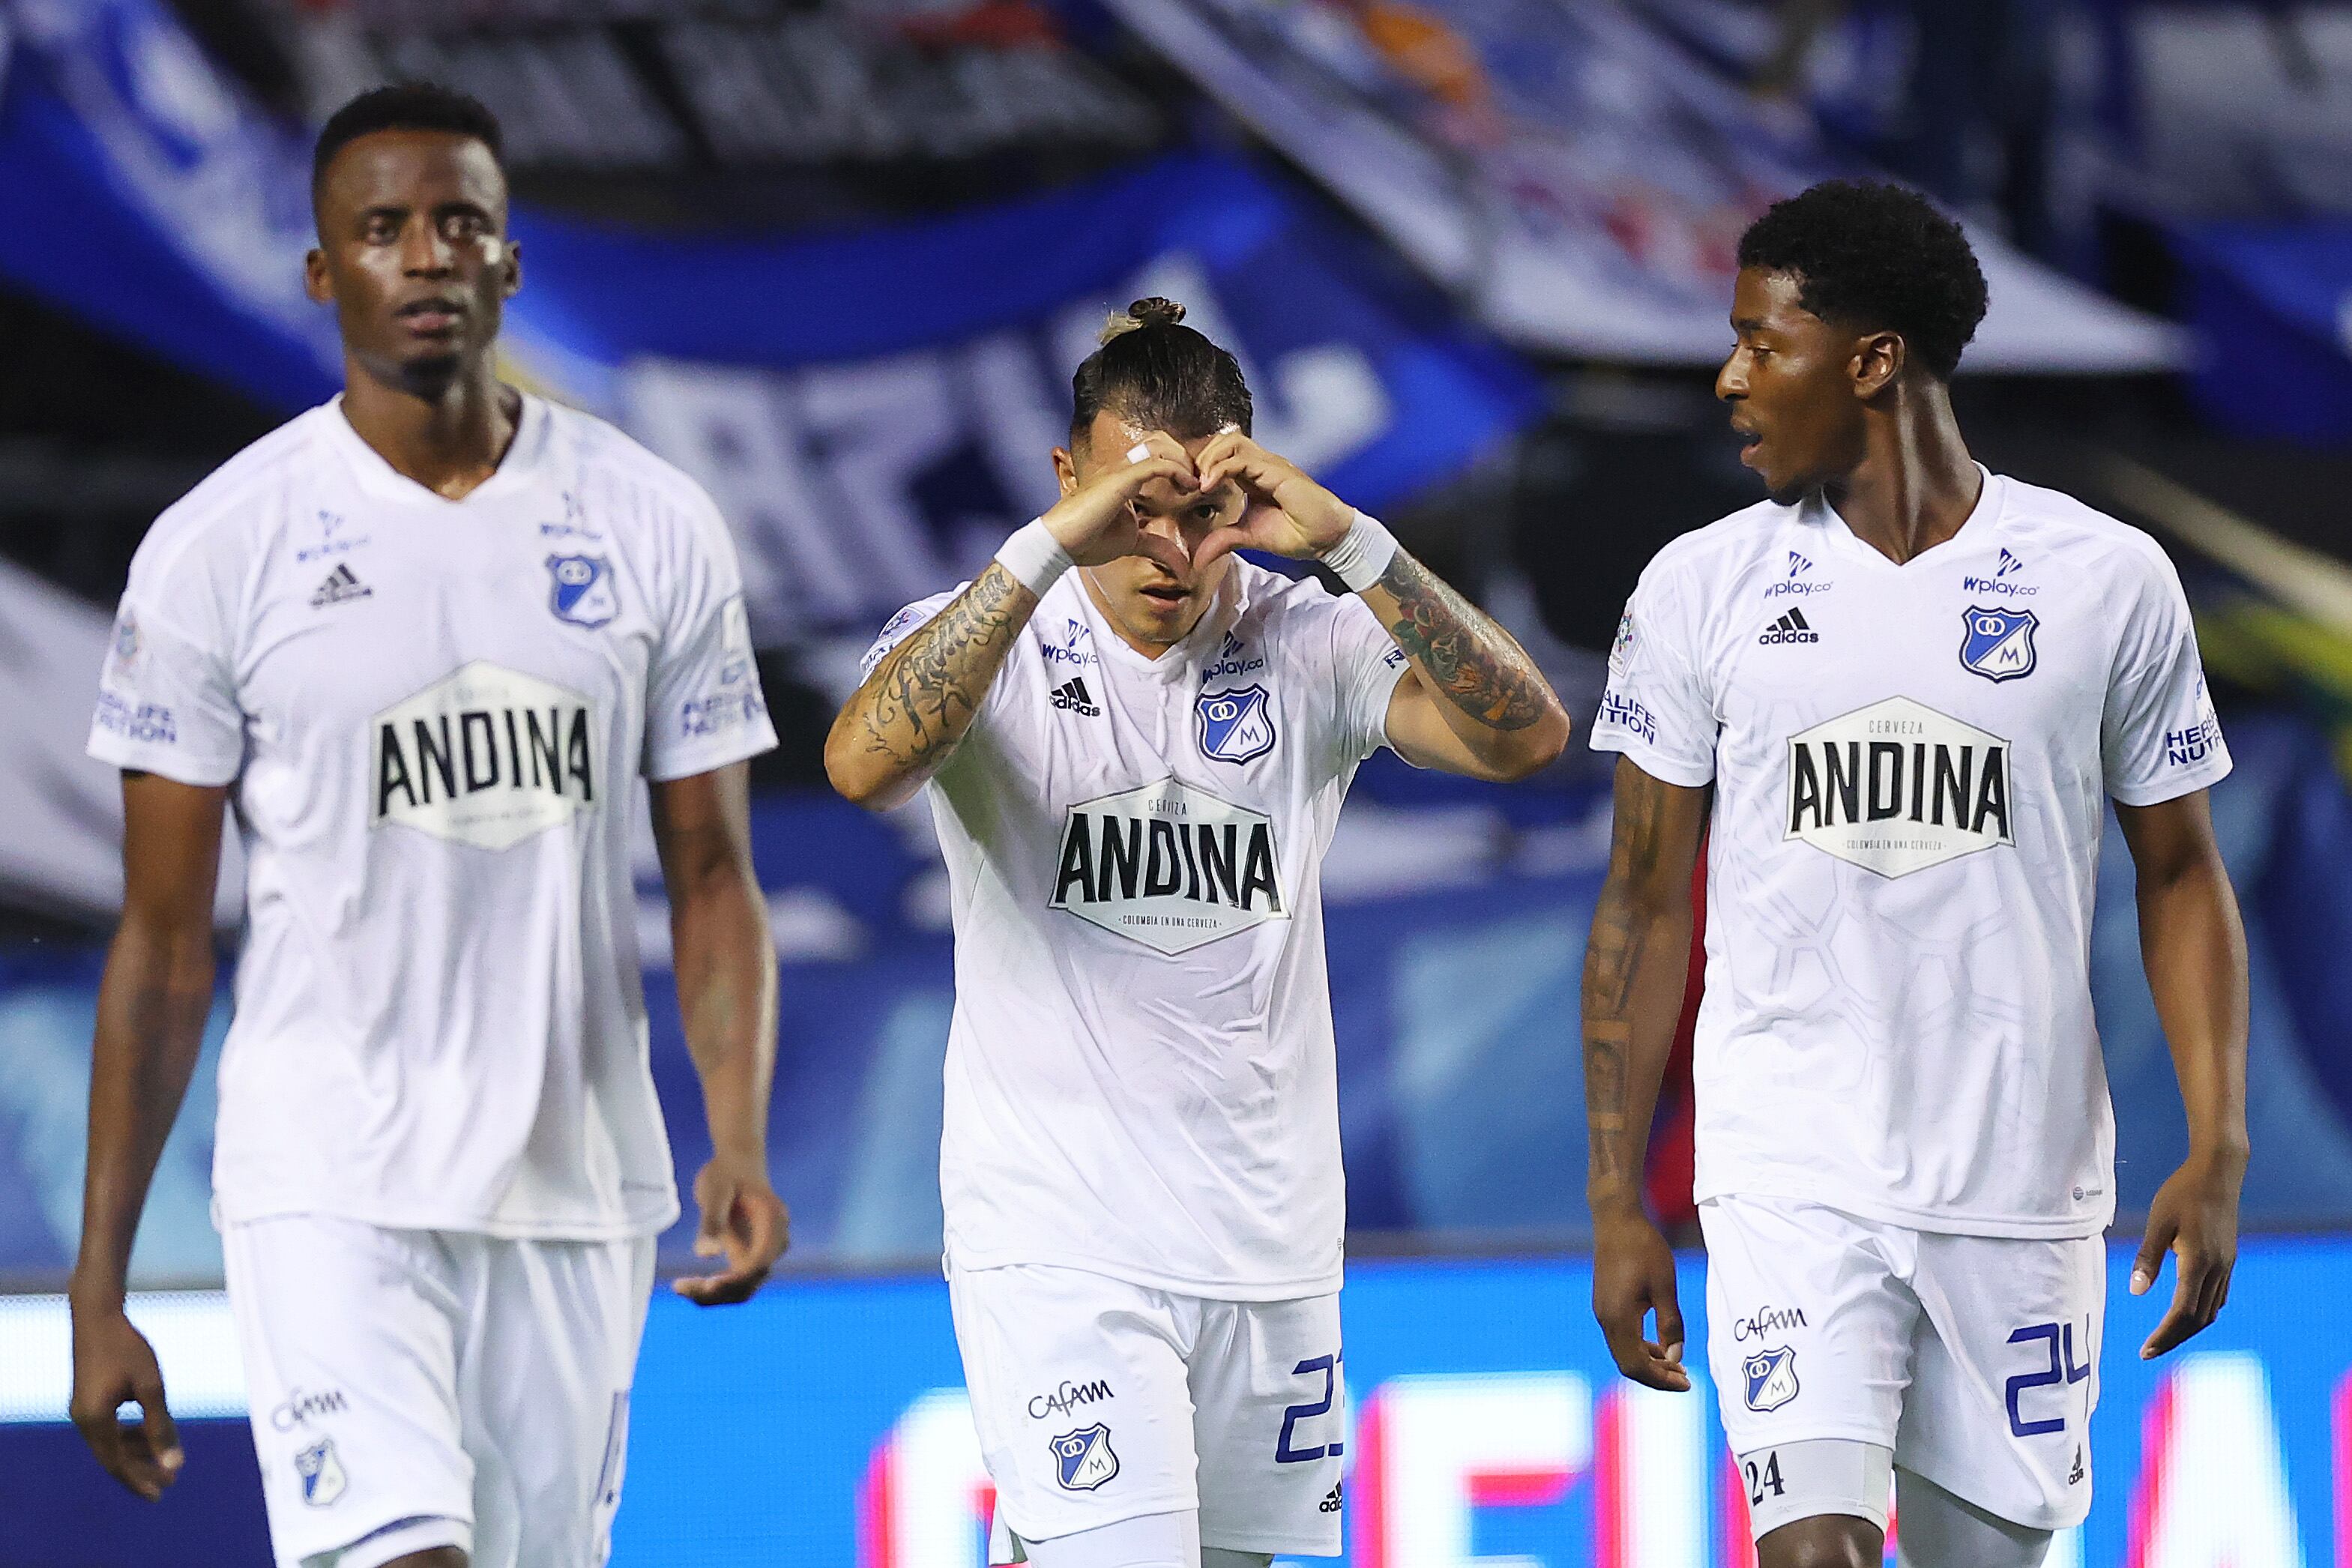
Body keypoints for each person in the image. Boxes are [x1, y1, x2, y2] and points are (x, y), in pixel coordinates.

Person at [69, 83, 788, 1568]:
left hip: (576, 1183)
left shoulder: (652, 520)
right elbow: (159, 938)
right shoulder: (220, 547)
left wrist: (738, 1131)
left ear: (510, 256)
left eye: (459, 221)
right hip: (331, 1181)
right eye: (382, 228)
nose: (427, 255)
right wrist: (100, 1280)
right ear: (326, 271)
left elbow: (714, 873)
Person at [826, 298, 1570, 1568]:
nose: (1168, 547)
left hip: (1267, 1246)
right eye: (1131, 507)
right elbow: (861, 767)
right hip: (1059, 1239)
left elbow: (1525, 736)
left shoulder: (1302, 640)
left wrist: (1357, 546)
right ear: (1068, 481)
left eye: (1199, 511)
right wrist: (1043, 553)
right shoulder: (991, 635)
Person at [1582, 180, 2247, 1568]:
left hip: (2018, 1180)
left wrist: (2217, 1139)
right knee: (1814, 1551)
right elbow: (1642, 900)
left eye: (1764, 344)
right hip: (1789, 1173)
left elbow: (2178, 874)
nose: (1728, 378)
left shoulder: (2103, 579)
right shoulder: (1698, 588)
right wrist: (1613, 1198)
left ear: (1873, 360)